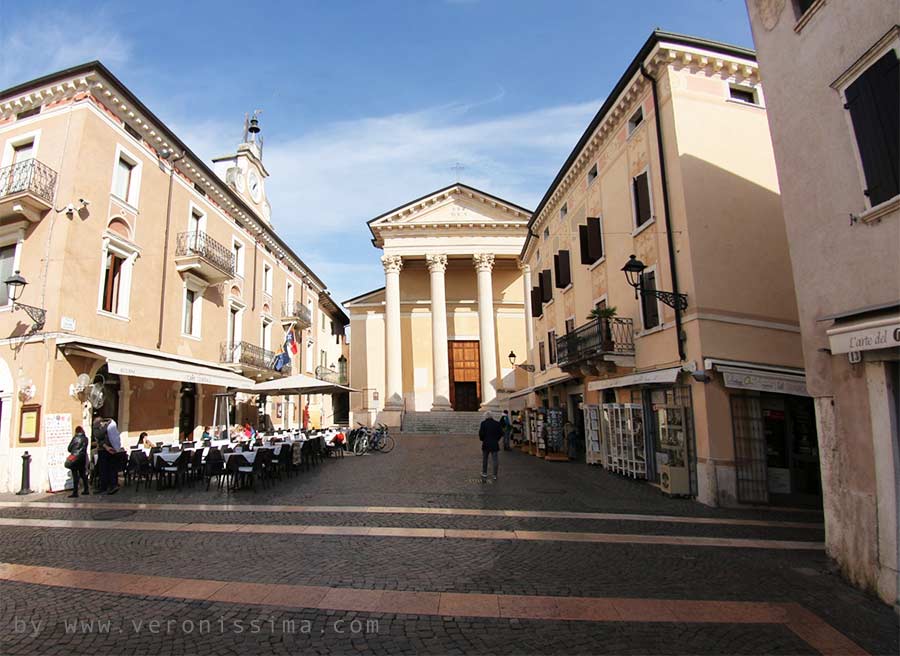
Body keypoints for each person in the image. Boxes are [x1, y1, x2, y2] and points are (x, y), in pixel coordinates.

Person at [478, 410, 503, 480]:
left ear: (485, 416)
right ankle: (495, 475)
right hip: (494, 443)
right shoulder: (497, 423)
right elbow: (501, 433)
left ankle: (484, 473)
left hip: (486, 443)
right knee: (495, 460)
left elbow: (481, 434)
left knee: (485, 459)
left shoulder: (483, 423)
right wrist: (496, 439)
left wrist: (483, 439)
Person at [66, 426, 89, 498]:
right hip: (82, 458)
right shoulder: (86, 439)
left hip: (75, 458)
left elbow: (69, 448)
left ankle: (75, 492)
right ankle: (86, 489)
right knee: (83, 474)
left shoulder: (75, 438)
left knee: (75, 475)